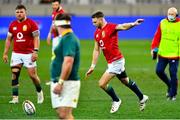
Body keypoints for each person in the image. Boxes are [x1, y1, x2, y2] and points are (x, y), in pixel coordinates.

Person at [86, 11, 148, 113]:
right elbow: (96, 50)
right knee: (125, 81)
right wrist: (92, 66)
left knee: (102, 83)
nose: (94, 24)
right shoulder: (97, 33)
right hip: (111, 62)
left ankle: (116, 100)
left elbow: (123, 26)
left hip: (117, 62)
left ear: (101, 19)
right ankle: (142, 97)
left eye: (95, 22)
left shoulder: (111, 27)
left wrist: (133, 24)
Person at [2, 4, 44, 104]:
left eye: (21, 12)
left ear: (25, 12)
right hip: (16, 53)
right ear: (15, 13)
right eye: (17, 12)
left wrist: (36, 51)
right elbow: (8, 39)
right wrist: (5, 53)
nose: (19, 14)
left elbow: (36, 38)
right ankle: (15, 98)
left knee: (32, 76)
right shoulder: (12, 25)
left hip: (29, 54)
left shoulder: (32, 23)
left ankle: (39, 92)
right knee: (15, 74)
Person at [50, 13, 81, 119]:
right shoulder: (63, 38)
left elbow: (68, 62)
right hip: (58, 81)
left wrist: (61, 82)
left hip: (68, 82)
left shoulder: (69, 39)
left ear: (57, 24)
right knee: (61, 114)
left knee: (65, 114)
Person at [151, 7, 180, 101]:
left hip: (174, 54)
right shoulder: (162, 22)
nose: (170, 16)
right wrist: (153, 48)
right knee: (159, 71)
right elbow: (157, 36)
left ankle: (173, 94)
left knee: (173, 74)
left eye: (172, 14)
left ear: (176, 15)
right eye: (169, 14)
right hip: (162, 53)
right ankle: (169, 85)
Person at [46, 0, 65, 85]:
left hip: (60, 38)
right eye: (53, 5)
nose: (54, 6)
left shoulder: (61, 14)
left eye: (56, 5)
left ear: (59, 4)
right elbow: (53, 24)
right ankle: (55, 78)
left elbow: (64, 27)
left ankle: (59, 79)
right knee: (55, 58)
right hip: (55, 37)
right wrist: (49, 33)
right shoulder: (54, 12)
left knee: (58, 58)